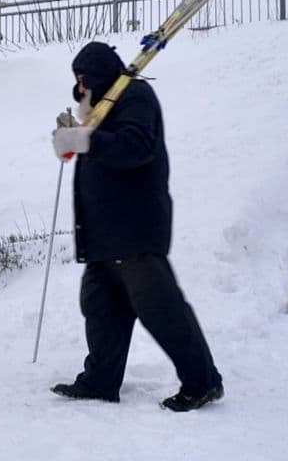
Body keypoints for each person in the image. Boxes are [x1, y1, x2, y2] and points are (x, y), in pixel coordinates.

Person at [49, 41, 224, 412]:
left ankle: (203, 382)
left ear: (101, 74)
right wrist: (75, 134)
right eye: (76, 80)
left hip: (134, 231)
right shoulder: (102, 110)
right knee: (100, 309)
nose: (80, 88)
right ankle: (100, 381)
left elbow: (136, 146)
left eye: (84, 79)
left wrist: (85, 140)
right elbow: (97, 147)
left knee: (162, 310)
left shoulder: (136, 96)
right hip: (102, 235)